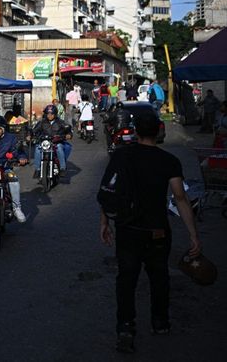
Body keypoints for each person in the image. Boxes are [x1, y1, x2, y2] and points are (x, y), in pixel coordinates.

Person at [98, 112, 201, 353]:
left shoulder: (121, 155)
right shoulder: (169, 161)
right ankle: (160, 321)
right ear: (159, 130)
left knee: (126, 280)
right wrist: (193, 234)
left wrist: (104, 221)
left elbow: (108, 190)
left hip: (127, 228)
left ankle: (125, 327)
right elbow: (180, 197)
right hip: (157, 231)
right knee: (159, 276)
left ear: (135, 131)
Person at [30, 105, 72, 175]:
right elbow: (34, 130)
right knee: (38, 148)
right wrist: (30, 135)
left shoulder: (60, 122)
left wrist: (69, 135)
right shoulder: (42, 122)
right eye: (48, 114)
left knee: (59, 148)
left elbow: (68, 130)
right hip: (45, 142)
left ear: (55, 114)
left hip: (57, 142)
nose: (49, 116)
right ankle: (37, 169)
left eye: (51, 114)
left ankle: (62, 168)